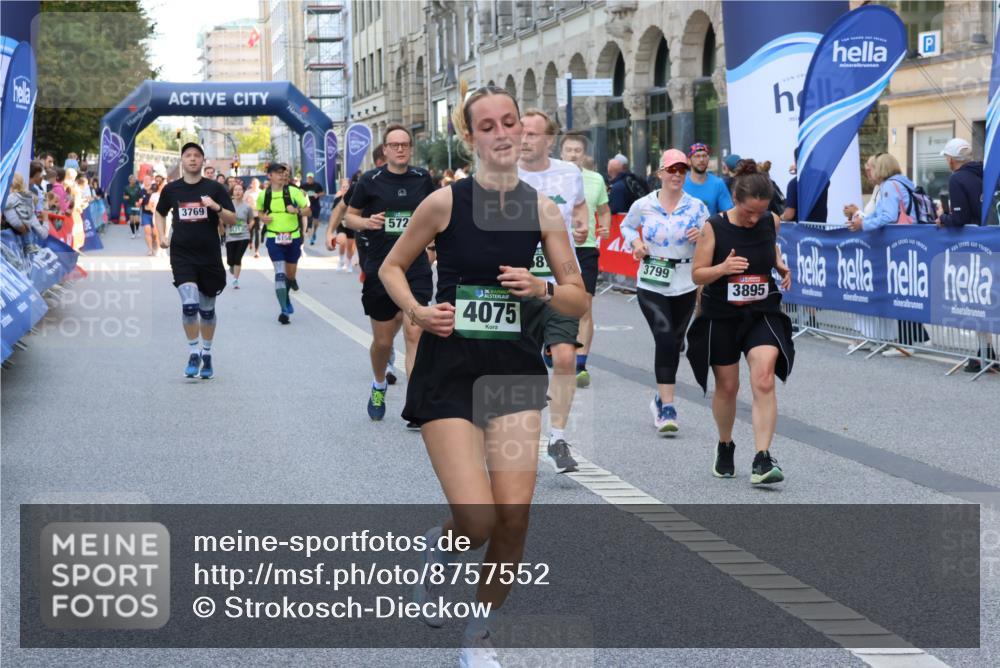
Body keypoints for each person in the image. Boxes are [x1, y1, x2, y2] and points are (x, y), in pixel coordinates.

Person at [379, 81, 589, 668]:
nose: (501, 133)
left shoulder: (542, 209)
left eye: (509, 122)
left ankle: (479, 634)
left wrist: (542, 288)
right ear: (469, 137)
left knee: (513, 520)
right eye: (487, 126)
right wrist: (418, 311)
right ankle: (442, 551)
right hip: (450, 369)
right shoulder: (444, 203)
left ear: (524, 129)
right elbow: (394, 267)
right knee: (476, 520)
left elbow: (576, 297)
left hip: (513, 372)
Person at [687, 158, 794, 484]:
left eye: (760, 212)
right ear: (735, 200)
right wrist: (722, 269)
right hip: (722, 314)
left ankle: (762, 458)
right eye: (749, 212)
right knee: (728, 386)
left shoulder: (771, 220)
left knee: (764, 377)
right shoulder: (714, 227)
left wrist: (779, 264)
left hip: (761, 310)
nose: (754, 219)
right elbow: (697, 274)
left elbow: (770, 245)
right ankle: (725, 444)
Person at [346, 125, 436, 423]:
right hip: (381, 268)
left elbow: (439, 216)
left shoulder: (423, 178)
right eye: (394, 145)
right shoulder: (370, 180)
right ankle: (378, 383)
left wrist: (433, 247)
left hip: (416, 267)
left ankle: (415, 404)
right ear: (384, 149)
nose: (400, 149)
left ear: (410, 148)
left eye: (405, 144)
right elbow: (349, 217)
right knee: (383, 342)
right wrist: (367, 222)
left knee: (415, 332)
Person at [518, 109, 589, 473]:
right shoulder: (503, 175)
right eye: (520, 132)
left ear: (549, 139)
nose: (523, 139)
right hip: (515, 283)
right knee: (519, 365)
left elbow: (580, 207)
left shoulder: (569, 173)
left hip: (559, 282)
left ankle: (557, 438)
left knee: (564, 357)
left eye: (532, 134)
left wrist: (581, 226)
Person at [622, 149, 709, 434]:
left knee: (674, 342)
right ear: (660, 173)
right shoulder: (644, 204)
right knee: (665, 338)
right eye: (672, 170)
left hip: (685, 282)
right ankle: (668, 408)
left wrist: (702, 236)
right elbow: (627, 226)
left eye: (682, 170)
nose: (677, 175)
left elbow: (711, 238)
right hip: (652, 281)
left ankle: (661, 396)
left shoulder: (697, 207)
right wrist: (636, 244)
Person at [154, 142, 236, 379]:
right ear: (182, 160)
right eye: (188, 155)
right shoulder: (172, 189)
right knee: (190, 305)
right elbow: (159, 212)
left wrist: (216, 207)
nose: (192, 159)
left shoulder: (214, 188)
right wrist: (162, 235)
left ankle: (207, 354)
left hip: (209, 256)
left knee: (207, 311)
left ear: (203, 161)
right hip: (182, 255)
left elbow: (232, 219)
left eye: (197, 155)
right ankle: (193, 352)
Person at [846, 152, 930, 355]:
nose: (871, 171)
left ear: (881, 168)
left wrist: (863, 224)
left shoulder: (889, 186)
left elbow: (888, 216)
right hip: (911, 240)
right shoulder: (903, 183)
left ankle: (906, 344)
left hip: (898, 244)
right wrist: (862, 220)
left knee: (901, 292)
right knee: (906, 292)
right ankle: (915, 339)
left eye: (873, 167)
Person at [934, 138, 996, 372]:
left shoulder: (958, 178)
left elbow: (960, 218)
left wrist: (943, 218)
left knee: (979, 300)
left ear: (952, 160)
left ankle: (984, 355)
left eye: (946, 158)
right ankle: (985, 354)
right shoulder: (987, 172)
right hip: (992, 240)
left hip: (975, 248)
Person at [559, 131, 611, 387]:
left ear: (584, 154)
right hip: (556, 248)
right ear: (561, 153)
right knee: (554, 304)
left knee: (585, 304)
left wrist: (606, 226)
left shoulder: (595, 179)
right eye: (568, 150)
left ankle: (581, 364)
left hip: (586, 247)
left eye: (577, 150)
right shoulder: (551, 179)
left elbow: (604, 210)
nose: (573, 155)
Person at [257, 162, 310, 324]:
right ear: (270, 176)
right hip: (274, 238)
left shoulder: (293, 191)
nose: (281, 175)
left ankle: (286, 297)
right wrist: (263, 218)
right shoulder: (264, 195)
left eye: (283, 172)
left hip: (293, 237)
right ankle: (284, 310)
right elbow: (260, 211)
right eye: (278, 172)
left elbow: (308, 210)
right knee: (280, 274)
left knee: (290, 275)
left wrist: (298, 211)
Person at [683, 143, 734, 215]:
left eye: (704, 156)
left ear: (708, 159)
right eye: (697, 156)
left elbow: (728, 214)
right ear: (689, 160)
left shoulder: (718, 183)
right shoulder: (681, 183)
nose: (701, 159)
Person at [782, 158, 829, 223]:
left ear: (796, 161)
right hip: (819, 227)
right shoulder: (823, 177)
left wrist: (780, 217)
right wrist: (800, 171)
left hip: (801, 228)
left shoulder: (794, 183)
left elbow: (789, 215)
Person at [226, 181, 253, 288]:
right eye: (235, 190)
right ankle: (231, 265)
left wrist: (250, 225)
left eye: (240, 190)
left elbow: (252, 219)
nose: (238, 192)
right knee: (230, 260)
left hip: (244, 235)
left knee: (238, 258)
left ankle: (235, 280)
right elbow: (222, 217)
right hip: (231, 236)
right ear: (232, 192)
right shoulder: (228, 205)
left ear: (243, 192)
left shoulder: (247, 206)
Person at [300, 172, 325, 245]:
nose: (309, 179)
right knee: (309, 221)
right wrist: (302, 194)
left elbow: (323, 193)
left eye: (311, 178)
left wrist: (318, 194)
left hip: (316, 205)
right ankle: (310, 238)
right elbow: (298, 192)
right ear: (307, 178)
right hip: (307, 205)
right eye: (308, 178)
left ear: (313, 178)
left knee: (316, 222)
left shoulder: (317, 185)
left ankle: (314, 233)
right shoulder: (303, 185)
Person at [245, 177, 263, 257]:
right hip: (250, 215)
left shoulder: (261, 192)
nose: (255, 185)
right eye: (253, 183)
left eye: (256, 183)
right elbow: (243, 202)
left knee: (257, 232)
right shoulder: (247, 192)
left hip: (258, 215)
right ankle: (250, 242)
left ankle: (256, 251)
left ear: (259, 184)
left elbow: (265, 203)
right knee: (250, 231)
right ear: (251, 184)